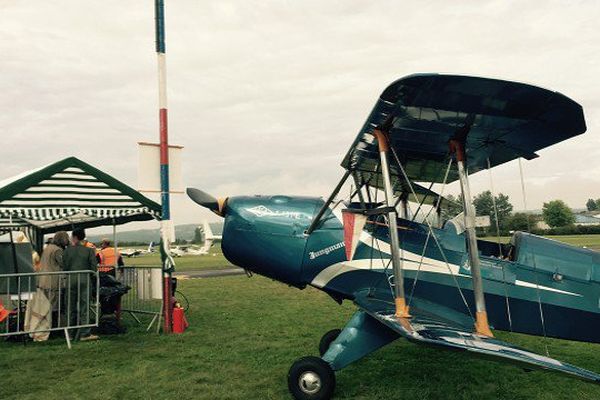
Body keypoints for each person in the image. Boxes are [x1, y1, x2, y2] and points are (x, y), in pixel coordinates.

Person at [63, 228, 99, 342]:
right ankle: (85, 333)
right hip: (85, 278)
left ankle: (70, 333)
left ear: (74, 237)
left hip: (71, 279)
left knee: (70, 307)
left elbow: (65, 266)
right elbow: (94, 267)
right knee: (85, 307)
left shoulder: (67, 250)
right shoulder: (89, 251)